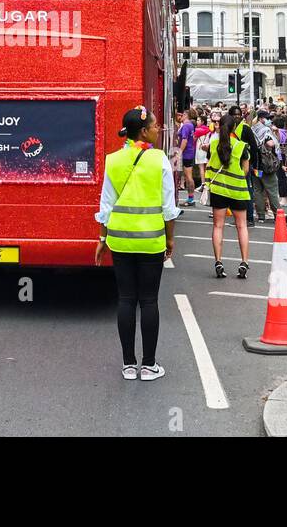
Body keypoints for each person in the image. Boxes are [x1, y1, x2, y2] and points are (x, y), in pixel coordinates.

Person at [94, 106, 178, 381]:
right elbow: (169, 208)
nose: (158, 129)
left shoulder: (113, 160)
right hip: (151, 240)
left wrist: (103, 238)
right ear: (143, 131)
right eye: (155, 126)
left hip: (120, 240)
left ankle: (129, 365)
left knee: (126, 299)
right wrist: (171, 238)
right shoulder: (159, 160)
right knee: (149, 301)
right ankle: (149, 365)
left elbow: (105, 205)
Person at [204, 110, 250, 280]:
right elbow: (245, 170)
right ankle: (244, 262)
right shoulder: (242, 147)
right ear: (235, 127)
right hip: (237, 190)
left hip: (219, 190)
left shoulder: (214, 146)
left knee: (218, 226)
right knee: (242, 226)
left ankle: (218, 261)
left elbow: (209, 165)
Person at [177, 108, 197, 205]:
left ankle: (191, 199)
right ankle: (191, 198)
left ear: (186, 115)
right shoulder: (190, 125)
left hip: (186, 154)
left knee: (188, 177)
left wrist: (179, 152)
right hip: (189, 152)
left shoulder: (186, 126)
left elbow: (184, 140)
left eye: (183, 114)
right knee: (188, 176)